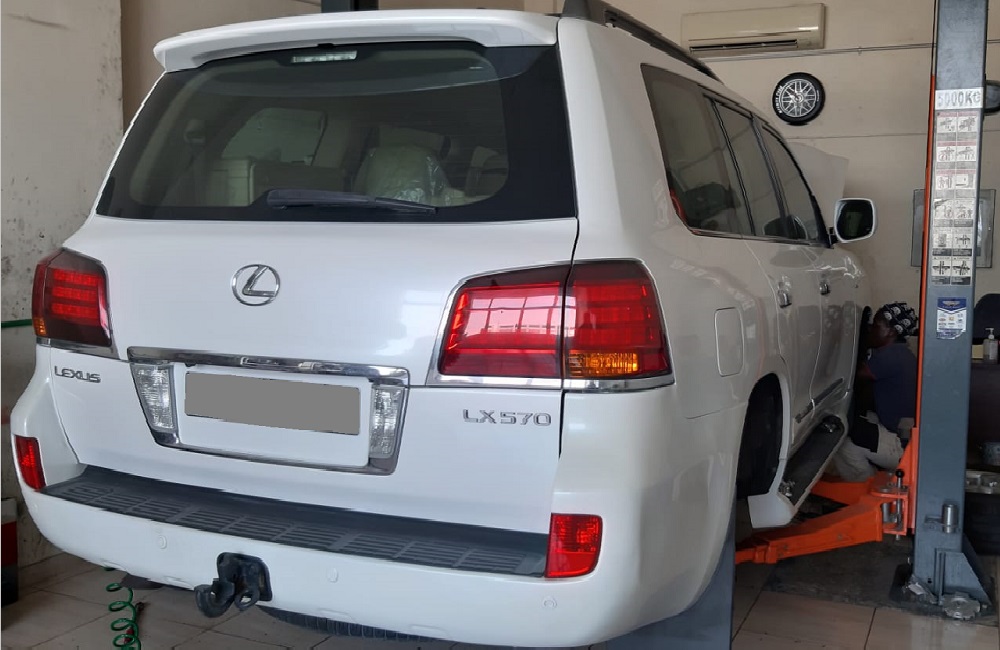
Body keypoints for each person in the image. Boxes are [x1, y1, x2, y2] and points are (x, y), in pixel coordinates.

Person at [831, 302, 919, 482]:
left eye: (876, 325)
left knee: (840, 440)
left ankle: (866, 483)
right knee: (862, 419)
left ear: (891, 332)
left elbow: (854, 374)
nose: (870, 329)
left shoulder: (891, 356)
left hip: (901, 445)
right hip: (901, 432)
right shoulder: (902, 353)